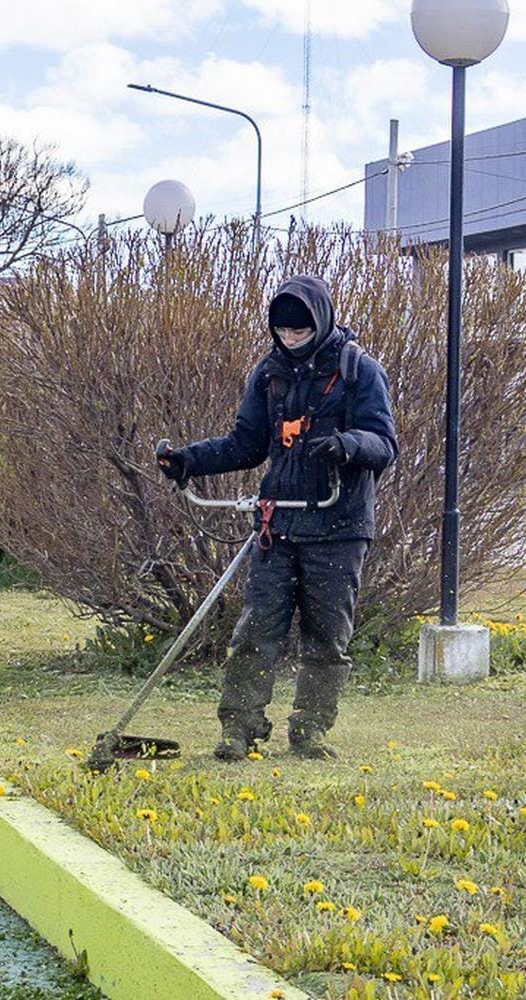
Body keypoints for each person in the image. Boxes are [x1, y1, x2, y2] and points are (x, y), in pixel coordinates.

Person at [158, 275, 398, 760]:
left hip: (338, 524)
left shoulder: (359, 371)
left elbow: (384, 444)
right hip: (279, 526)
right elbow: (245, 444)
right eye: (282, 332)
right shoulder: (269, 374)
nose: (290, 340)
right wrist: (189, 461)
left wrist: (348, 445)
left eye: (299, 332)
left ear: (320, 323)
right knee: (256, 630)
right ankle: (239, 728)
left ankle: (310, 730)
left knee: (326, 636)